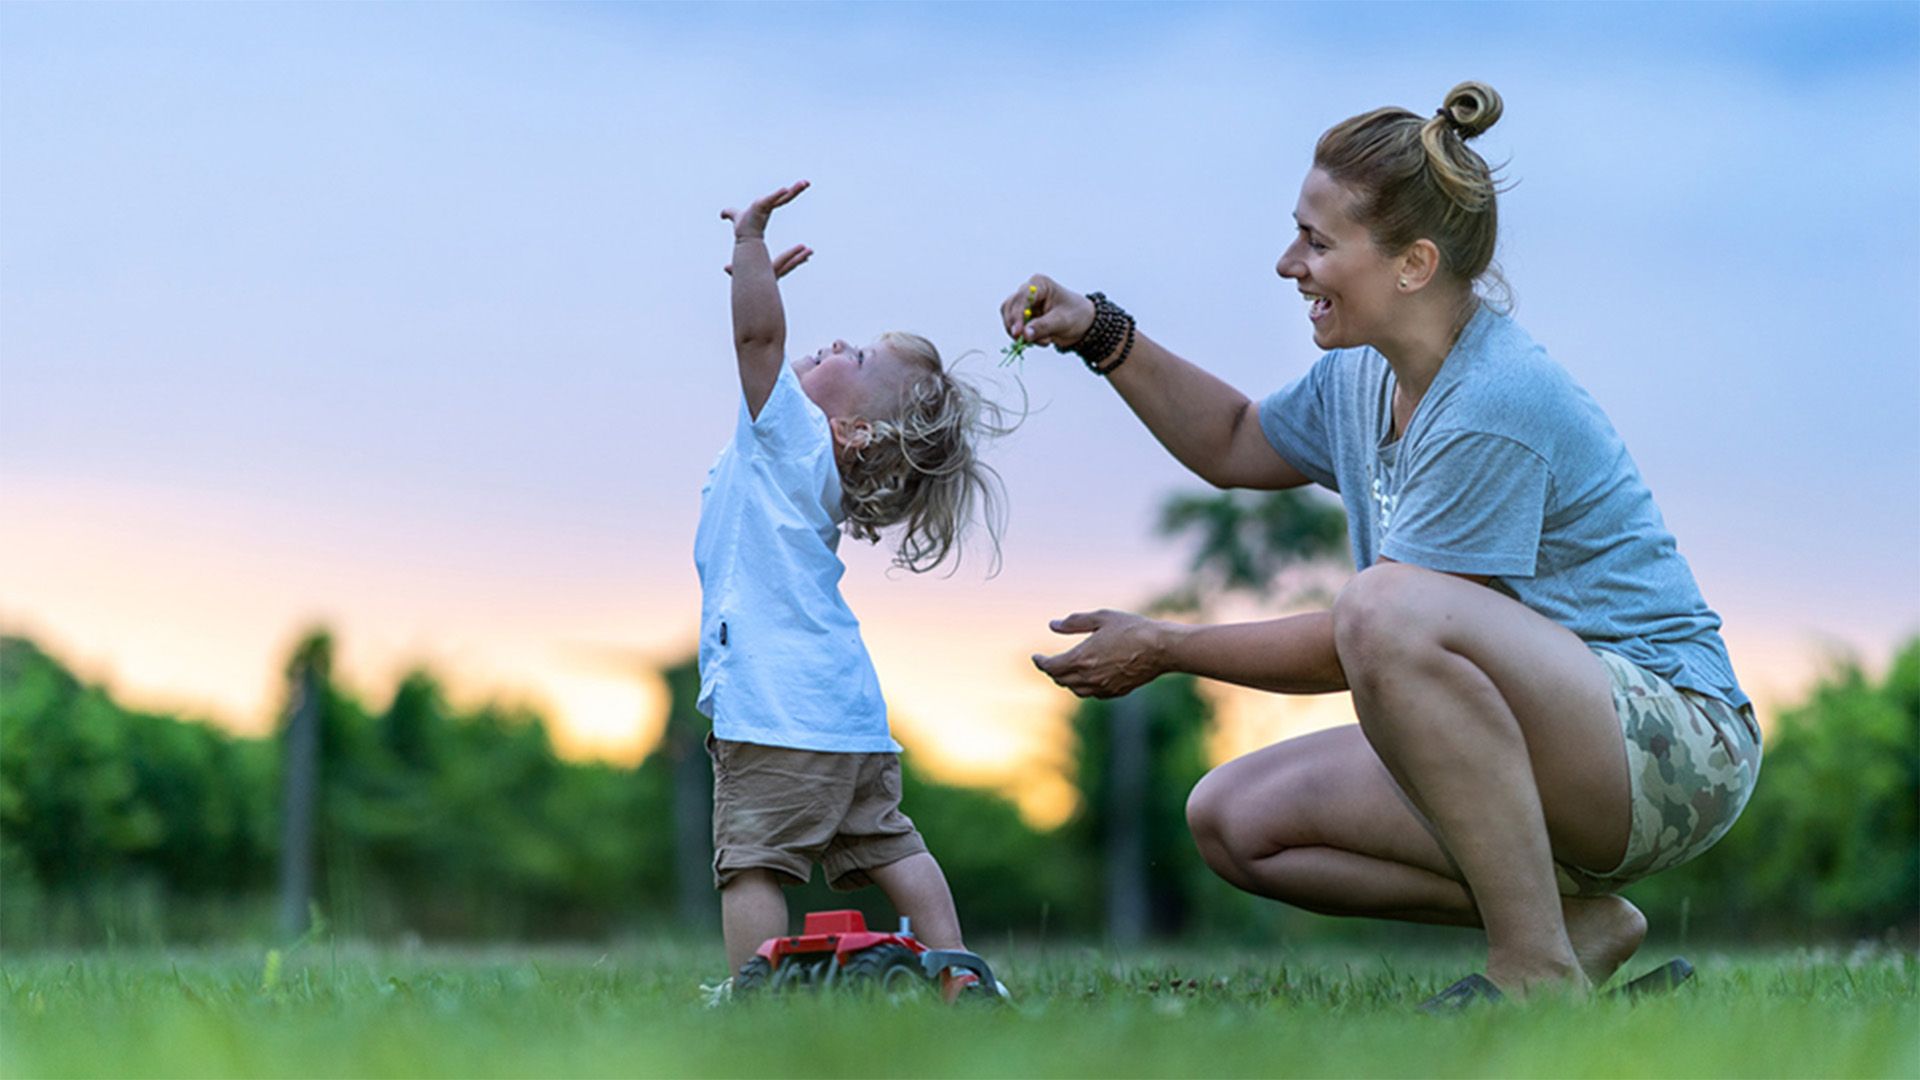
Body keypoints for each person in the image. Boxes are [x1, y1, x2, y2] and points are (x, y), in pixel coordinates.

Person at [1003, 82, 1760, 1005]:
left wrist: (1167, 646)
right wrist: (1101, 333)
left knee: (1383, 604)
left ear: (1413, 265)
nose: (1289, 264)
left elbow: (1371, 635)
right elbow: (1233, 440)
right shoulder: (1362, 376)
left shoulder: (1494, 400)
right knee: (1233, 818)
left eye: (1317, 242)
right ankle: (1575, 932)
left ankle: (1533, 968)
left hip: (1672, 748)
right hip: (1538, 733)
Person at [698, 180, 1011, 997]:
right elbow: (763, 332)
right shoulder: (808, 467)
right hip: (848, 711)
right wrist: (756, 281)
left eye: (859, 359)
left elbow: (758, 337)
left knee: (752, 860)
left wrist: (750, 248)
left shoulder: (791, 438)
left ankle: (754, 998)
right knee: (891, 844)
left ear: (855, 431)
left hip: (774, 706)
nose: (837, 343)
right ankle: (959, 972)